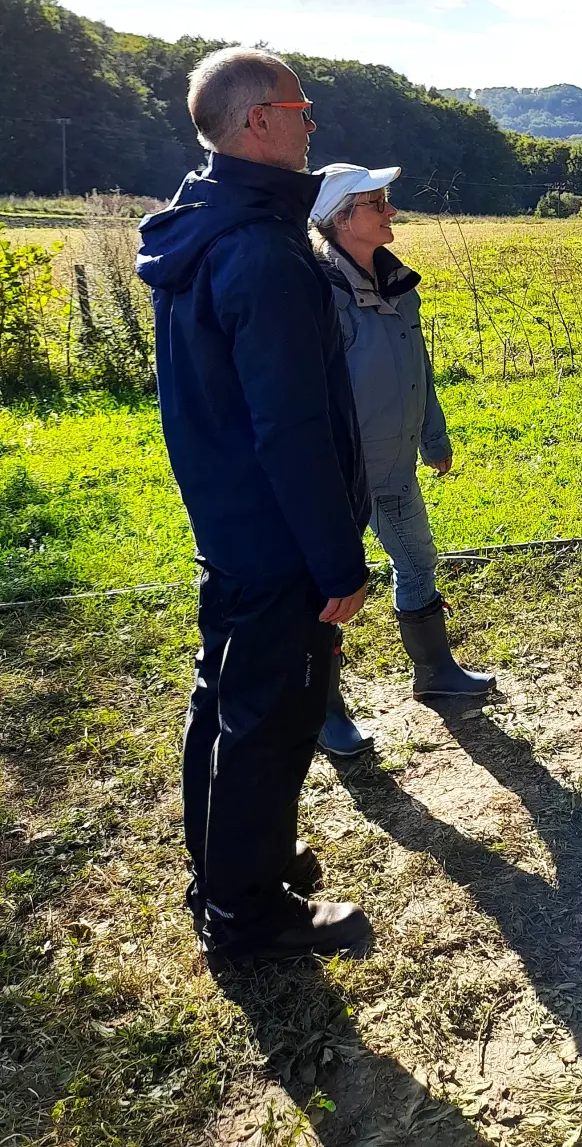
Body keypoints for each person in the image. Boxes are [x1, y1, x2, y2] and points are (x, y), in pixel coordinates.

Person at [136, 47, 373, 969]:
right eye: (302, 107)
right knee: (270, 720)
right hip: (276, 537)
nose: (312, 123)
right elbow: (292, 425)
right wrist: (335, 560)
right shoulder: (261, 249)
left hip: (231, 522)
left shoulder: (200, 219)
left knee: (224, 704)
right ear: (259, 120)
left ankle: (235, 874)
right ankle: (249, 915)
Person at [308, 164, 494, 757]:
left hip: (393, 467)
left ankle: (435, 673)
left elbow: (420, 369)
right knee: (330, 592)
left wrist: (433, 437)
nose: (390, 211)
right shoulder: (319, 293)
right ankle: (324, 712)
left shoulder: (398, 284)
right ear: (341, 219)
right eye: (377, 203)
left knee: (418, 561)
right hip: (337, 475)